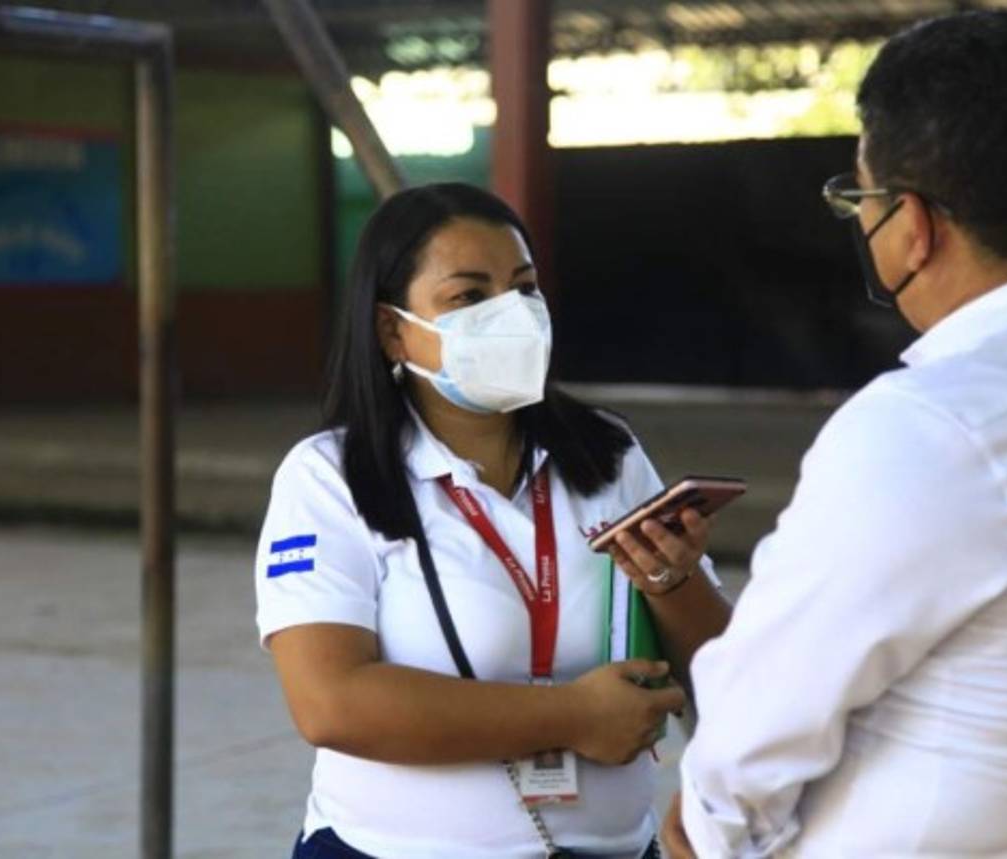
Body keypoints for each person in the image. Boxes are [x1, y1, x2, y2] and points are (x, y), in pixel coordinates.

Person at [663, 11, 1007, 858]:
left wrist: (707, 829)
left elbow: (754, 734)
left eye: (860, 200)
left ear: (912, 224)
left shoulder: (929, 427)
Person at [254, 182, 732, 859]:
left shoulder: (607, 453)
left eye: (524, 288)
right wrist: (575, 716)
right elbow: (330, 702)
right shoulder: (330, 476)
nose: (510, 315)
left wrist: (673, 580)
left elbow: (721, 669)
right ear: (393, 330)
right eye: (469, 297)